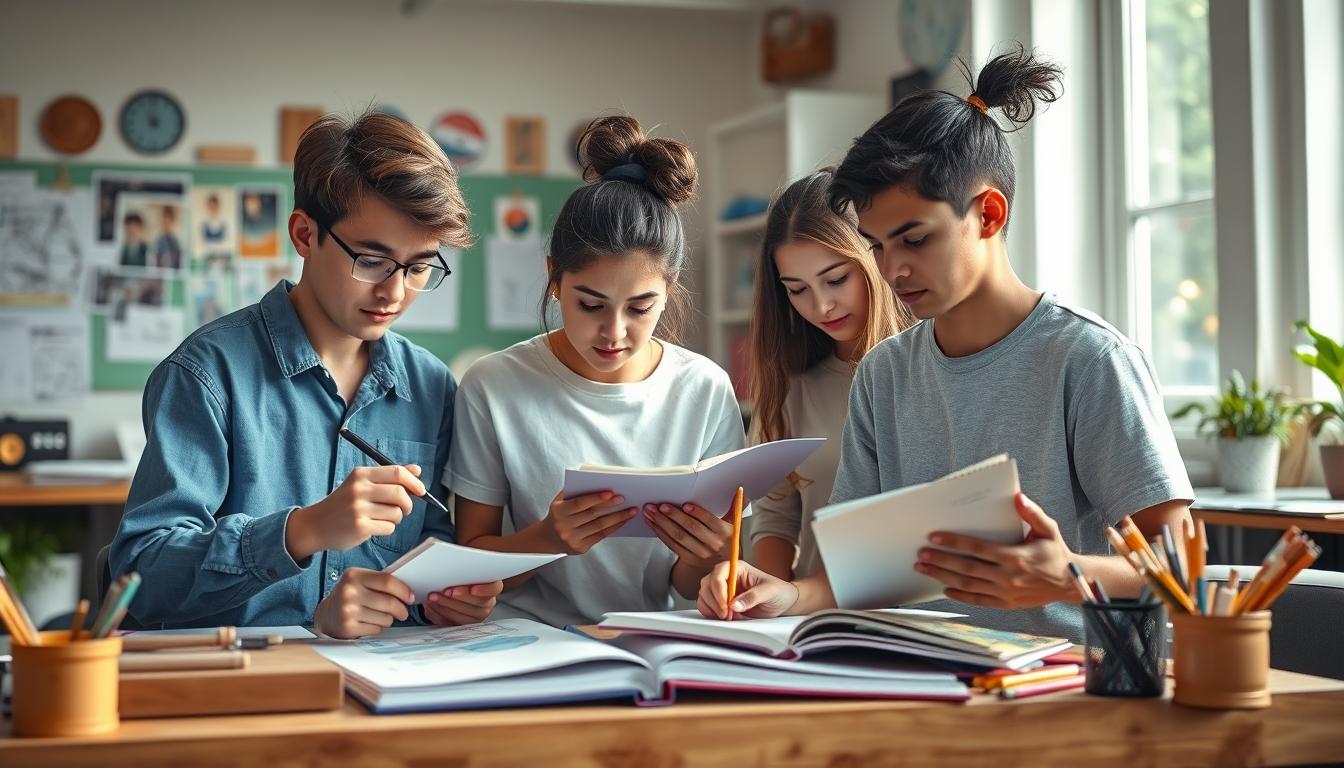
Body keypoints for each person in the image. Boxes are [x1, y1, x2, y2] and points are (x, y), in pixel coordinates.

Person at [699, 47, 1194, 641]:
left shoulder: (1088, 360)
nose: (894, 269)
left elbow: (1181, 568)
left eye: (914, 239)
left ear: (987, 214)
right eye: (878, 246)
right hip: (917, 671)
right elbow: (853, 574)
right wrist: (787, 594)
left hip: (1056, 686)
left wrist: (1067, 574)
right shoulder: (883, 375)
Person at [112, 110, 501, 637]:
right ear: (304, 234)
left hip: (382, 682)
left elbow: (427, 558)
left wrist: (440, 602)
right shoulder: (206, 374)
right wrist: (302, 530)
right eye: (372, 260)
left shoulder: (431, 387)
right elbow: (142, 573)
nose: (394, 292)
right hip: (238, 684)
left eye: (419, 267)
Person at [445, 116, 746, 627]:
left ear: (669, 291)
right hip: (520, 641)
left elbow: (689, 587)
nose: (614, 332)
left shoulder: (705, 389)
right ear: (554, 280)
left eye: (640, 308)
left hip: (652, 637)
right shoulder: (494, 384)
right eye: (591, 305)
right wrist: (547, 540)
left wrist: (704, 556)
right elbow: (469, 563)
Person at [747, 170, 911, 581]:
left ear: (874, 257)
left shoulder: (928, 366)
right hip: (816, 620)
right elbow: (776, 520)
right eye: (797, 289)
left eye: (836, 279)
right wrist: (762, 604)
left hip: (922, 620)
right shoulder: (790, 388)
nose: (822, 307)